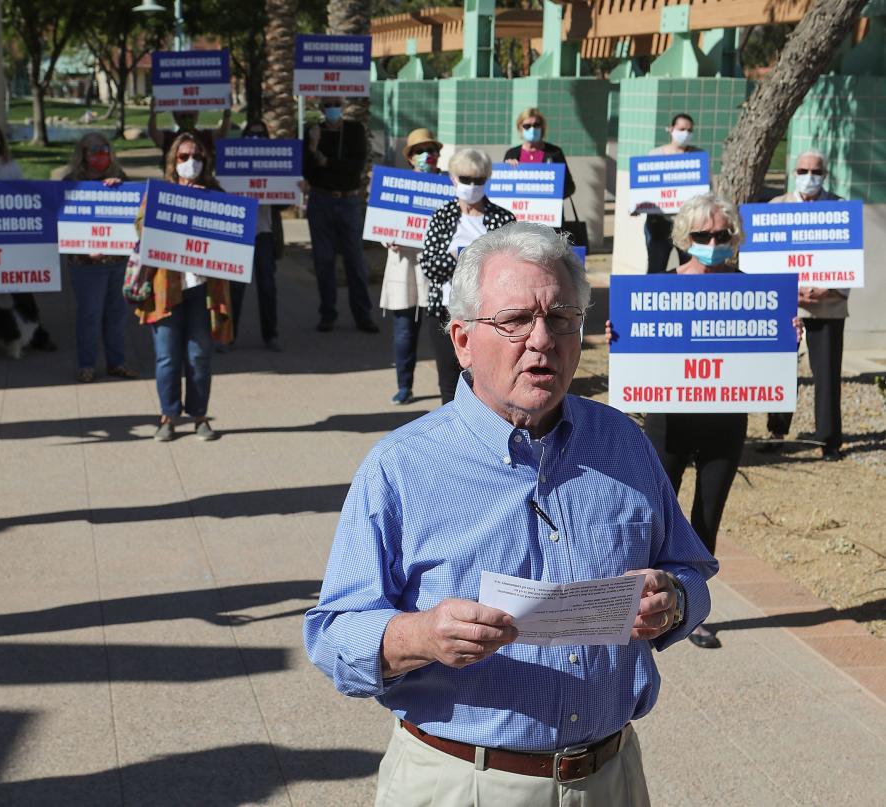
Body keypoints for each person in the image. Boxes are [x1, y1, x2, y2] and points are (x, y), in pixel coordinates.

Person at [305, 222, 717, 805]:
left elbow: (692, 572)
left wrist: (673, 599)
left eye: (561, 319)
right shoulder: (400, 465)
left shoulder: (624, 443)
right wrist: (420, 635)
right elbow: (331, 635)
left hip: (609, 777)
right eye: (515, 320)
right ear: (463, 341)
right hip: (462, 781)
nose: (542, 339)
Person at [607, 193, 768, 650]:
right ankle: (637, 602)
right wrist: (618, 337)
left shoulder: (753, 292)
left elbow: (767, 360)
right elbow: (635, 345)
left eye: (722, 235)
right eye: (703, 235)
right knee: (655, 514)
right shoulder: (659, 287)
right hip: (669, 420)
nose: (713, 242)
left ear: (734, 238)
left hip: (725, 422)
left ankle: (690, 609)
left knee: (706, 518)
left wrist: (785, 337)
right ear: (685, 238)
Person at [134, 133, 233, 443]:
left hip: (203, 291)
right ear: (172, 162)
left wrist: (208, 205)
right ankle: (168, 416)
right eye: (184, 157)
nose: (191, 162)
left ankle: (200, 416)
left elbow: (235, 236)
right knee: (166, 357)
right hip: (166, 289)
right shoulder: (159, 194)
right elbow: (141, 227)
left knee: (199, 357)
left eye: (197, 157)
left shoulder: (217, 193)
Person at [765, 150, 847, 461]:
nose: (809, 175)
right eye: (803, 169)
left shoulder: (839, 209)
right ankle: (776, 433)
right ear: (793, 171)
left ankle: (829, 440)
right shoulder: (775, 208)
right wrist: (787, 291)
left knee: (827, 374)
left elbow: (850, 259)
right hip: (787, 307)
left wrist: (830, 287)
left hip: (828, 306)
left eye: (815, 170)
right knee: (781, 371)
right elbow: (766, 262)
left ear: (825, 174)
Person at [418, 148, 515, 404]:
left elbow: (511, 269)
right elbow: (429, 265)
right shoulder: (442, 216)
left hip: (490, 315)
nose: (471, 186)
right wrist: (457, 257)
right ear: (453, 178)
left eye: (478, 180)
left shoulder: (503, 219)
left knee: (487, 383)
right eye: (465, 179)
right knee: (449, 384)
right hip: (445, 311)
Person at [0, 122, 58, 353]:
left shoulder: (11, 167)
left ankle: (36, 333)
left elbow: (24, 198)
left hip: (10, 237)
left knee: (22, 290)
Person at [62, 132, 138, 382]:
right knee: (90, 314)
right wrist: (83, 250)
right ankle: (87, 365)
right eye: (93, 150)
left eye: (103, 149)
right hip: (86, 264)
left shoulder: (119, 178)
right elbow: (62, 223)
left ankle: (117, 363)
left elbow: (134, 214)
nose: (99, 154)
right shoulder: (71, 182)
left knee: (117, 315)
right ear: (82, 153)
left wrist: (120, 190)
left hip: (117, 261)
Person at [302, 97, 378, 334]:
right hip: (321, 200)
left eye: (336, 103)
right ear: (322, 109)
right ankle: (327, 314)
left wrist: (326, 161)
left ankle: (363, 315)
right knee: (323, 261)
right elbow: (307, 171)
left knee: (354, 260)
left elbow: (355, 167)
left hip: (348, 201)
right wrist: (313, 150)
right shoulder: (313, 133)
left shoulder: (354, 130)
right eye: (328, 104)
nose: (332, 108)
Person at [379, 128, 440, 405]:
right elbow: (382, 222)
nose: (426, 155)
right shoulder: (397, 185)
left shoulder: (449, 186)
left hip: (439, 271)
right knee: (404, 332)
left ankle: (452, 393)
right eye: (419, 151)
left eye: (431, 149)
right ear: (410, 158)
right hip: (404, 266)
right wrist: (387, 238)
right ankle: (404, 385)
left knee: (444, 335)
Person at [226, 120, 284, 352]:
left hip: (264, 233)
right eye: (251, 135)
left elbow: (283, 202)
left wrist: (294, 188)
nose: (256, 139)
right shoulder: (234, 165)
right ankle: (229, 335)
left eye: (261, 135)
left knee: (267, 286)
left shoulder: (276, 166)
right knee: (236, 289)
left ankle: (270, 335)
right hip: (240, 234)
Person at [637, 113, 699, 274]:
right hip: (658, 224)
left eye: (689, 130)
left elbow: (706, 192)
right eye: (682, 129)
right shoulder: (655, 155)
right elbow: (644, 189)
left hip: (688, 225)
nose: (685, 133)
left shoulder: (697, 157)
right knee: (656, 269)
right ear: (671, 129)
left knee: (688, 269)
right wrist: (637, 205)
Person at [503, 107, 576, 199]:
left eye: (536, 125)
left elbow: (570, 187)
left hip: (548, 210)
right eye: (527, 126)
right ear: (520, 128)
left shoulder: (554, 153)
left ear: (542, 128)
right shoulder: (512, 154)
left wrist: (554, 184)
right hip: (520, 211)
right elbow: (504, 189)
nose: (532, 129)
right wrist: (506, 170)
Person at [147, 99, 232, 169]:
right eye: (183, 116)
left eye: (191, 115)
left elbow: (222, 134)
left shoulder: (205, 137)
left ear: (197, 115)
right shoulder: (170, 138)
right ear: (175, 117)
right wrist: (153, 114)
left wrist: (227, 114)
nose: (187, 119)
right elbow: (154, 133)